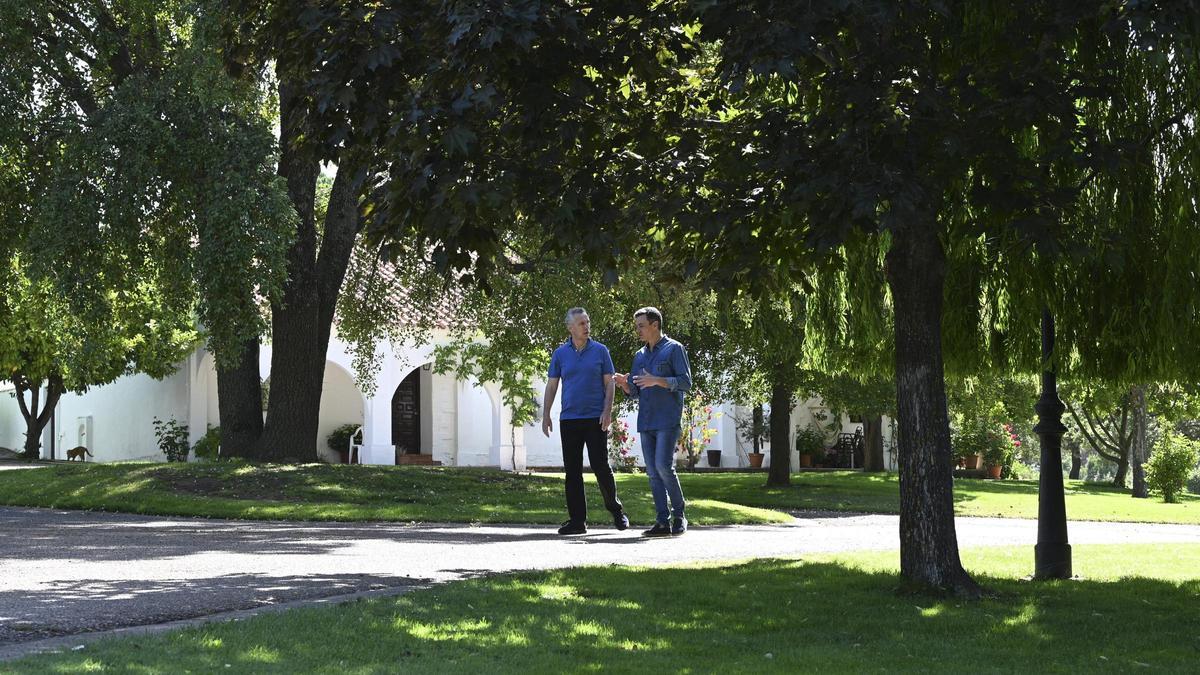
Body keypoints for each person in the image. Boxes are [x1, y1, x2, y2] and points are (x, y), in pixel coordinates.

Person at [542, 307, 629, 535]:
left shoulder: (601, 351)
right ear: (570, 327)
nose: (586, 326)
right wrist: (546, 414)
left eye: (587, 322)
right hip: (569, 419)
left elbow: (609, 383)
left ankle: (616, 511)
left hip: (595, 419)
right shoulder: (560, 354)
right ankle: (577, 521)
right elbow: (552, 386)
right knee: (572, 472)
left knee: (601, 467)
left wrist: (607, 411)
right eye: (582, 323)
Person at [614, 306, 691, 536]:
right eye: (636, 326)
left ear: (655, 325)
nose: (637, 330)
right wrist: (625, 385)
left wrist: (658, 380)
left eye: (641, 326)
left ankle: (679, 516)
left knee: (663, 467)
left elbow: (685, 382)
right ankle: (662, 522)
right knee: (653, 472)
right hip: (646, 421)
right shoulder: (639, 355)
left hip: (667, 419)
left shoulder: (674, 349)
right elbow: (636, 391)